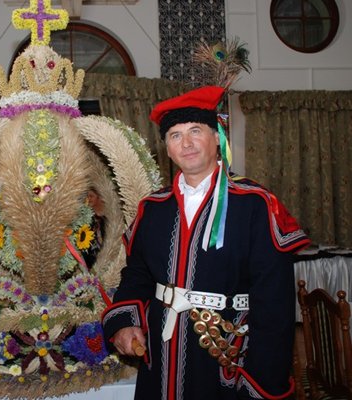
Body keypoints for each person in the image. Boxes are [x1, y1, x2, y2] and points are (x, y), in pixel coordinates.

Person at [101, 86, 310, 400]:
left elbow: (274, 305)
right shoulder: (152, 208)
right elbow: (137, 276)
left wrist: (261, 383)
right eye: (175, 135)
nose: (186, 143)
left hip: (226, 357)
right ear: (167, 149)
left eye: (195, 131)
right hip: (161, 358)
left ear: (217, 138)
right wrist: (123, 322)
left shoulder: (256, 204)